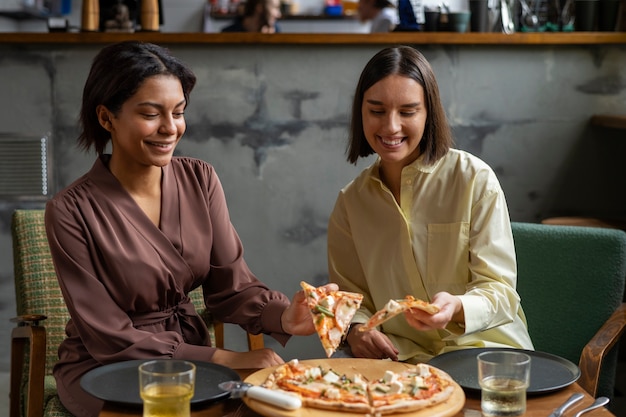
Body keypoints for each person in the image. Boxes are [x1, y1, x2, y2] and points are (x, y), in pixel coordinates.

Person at [44, 40, 336, 417]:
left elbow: (233, 286)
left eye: (178, 112)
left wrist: (285, 317)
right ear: (106, 118)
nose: (170, 128)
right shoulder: (70, 211)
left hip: (194, 356)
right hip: (107, 368)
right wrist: (227, 358)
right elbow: (109, 335)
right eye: (150, 114)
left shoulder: (200, 179)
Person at [328, 46, 534, 363]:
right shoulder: (350, 203)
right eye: (377, 111)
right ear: (361, 113)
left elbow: (501, 293)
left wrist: (458, 308)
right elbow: (349, 299)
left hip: (486, 355)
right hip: (403, 361)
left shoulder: (475, 180)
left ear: (429, 114)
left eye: (408, 112)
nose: (391, 127)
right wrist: (357, 330)